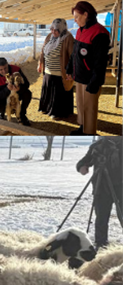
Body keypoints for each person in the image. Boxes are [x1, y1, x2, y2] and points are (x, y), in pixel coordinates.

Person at [67, 1, 111, 135]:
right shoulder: (81, 30)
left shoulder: (100, 33)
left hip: (90, 79)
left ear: (86, 14)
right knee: (81, 105)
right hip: (80, 76)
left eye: (77, 17)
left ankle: (89, 133)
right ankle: (82, 127)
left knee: (89, 108)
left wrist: (95, 81)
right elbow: (75, 52)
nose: (75, 21)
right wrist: (70, 68)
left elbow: (101, 62)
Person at [78, 138, 122, 248]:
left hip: (121, 187)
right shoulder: (97, 146)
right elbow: (83, 162)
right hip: (102, 188)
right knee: (101, 218)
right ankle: (101, 245)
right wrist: (82, 167)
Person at [37, 19, 75, 119]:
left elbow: (72, 55)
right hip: (48, 70)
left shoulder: (68, 37)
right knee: (48, 89)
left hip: (60, 72)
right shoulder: (49, 36)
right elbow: (43, 51)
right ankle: (46, 108)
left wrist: (70, 71)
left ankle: (58, 112)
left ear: (62, 29)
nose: (53, 31)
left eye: (56, 30)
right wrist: (40, 63)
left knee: (58, 93)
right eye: (51, 28)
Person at [0, 57, 32, 126]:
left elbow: (26, 84)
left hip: (17, 94)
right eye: (1, 70)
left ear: (7, 65)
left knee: (28, 93)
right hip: (4, 97)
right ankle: (2, 113)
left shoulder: (16, 69)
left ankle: (22, 114)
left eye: (5, 68)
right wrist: (6, 89)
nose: (4, 71)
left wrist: (19, 89)